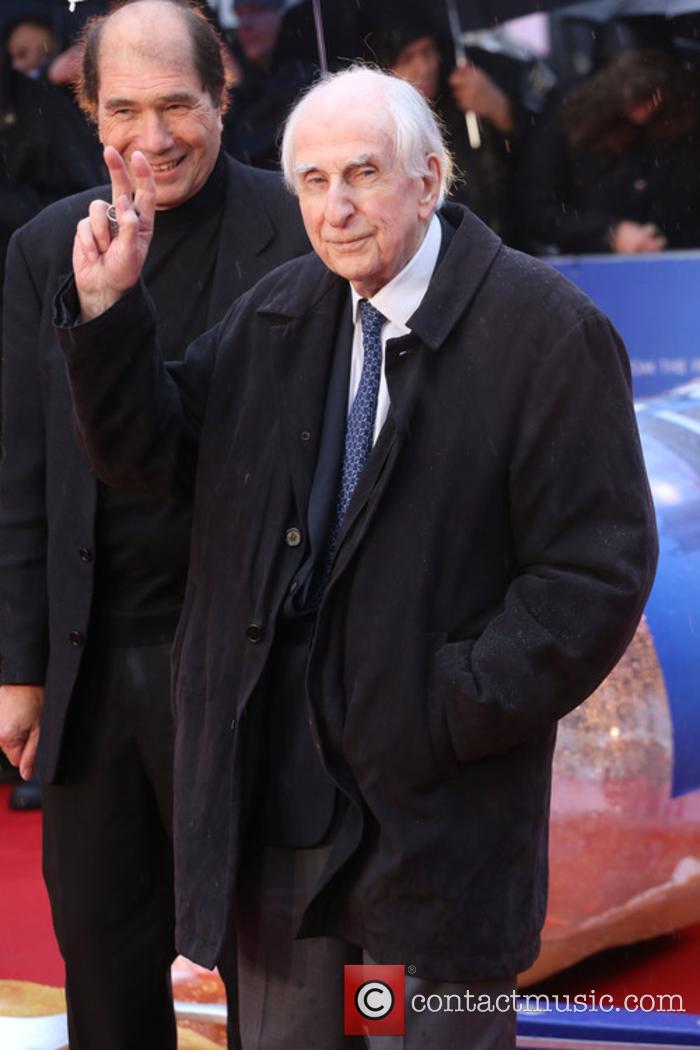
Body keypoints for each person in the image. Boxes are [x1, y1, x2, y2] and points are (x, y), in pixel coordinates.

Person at [57, 66, 658, 1049]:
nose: (335, 209)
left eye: (362, 175)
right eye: (310, 181)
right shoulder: (276, 316)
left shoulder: (548, 334)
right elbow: (151, 456)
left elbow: (592, 574)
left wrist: (447, 705)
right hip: (280, 807)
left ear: (429, 180)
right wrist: (110, 314)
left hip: (439, 813)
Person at [0, 0, 307, 1047]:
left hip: (255, 663)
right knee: (105, 957)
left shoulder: (297, 228)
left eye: (177, 104)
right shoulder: (49, 245)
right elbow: (19, 470)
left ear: (223, 99)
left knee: (284, 968)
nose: (153, 136)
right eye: (124, 110)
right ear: (91, 119)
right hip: (96, 668)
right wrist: (20, 666)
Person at [518, 47, 700, 254]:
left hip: (677, 262)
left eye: (653, 96)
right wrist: (608, 232)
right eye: (637, 98)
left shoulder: (682, 121)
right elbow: (537, 209)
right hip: (589, 267)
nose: (643, 112)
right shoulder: (571, 114)